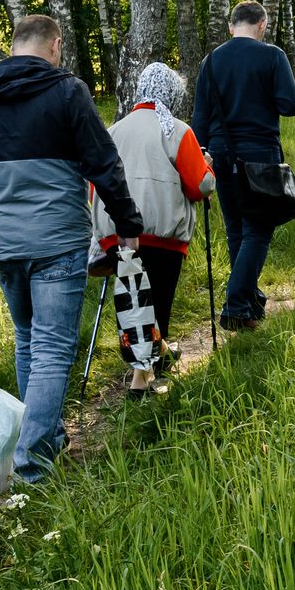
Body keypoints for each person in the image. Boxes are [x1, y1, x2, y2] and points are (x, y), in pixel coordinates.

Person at [0, 14, 142, 483]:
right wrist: (128, 223)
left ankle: (44, 434)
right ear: (55, 45)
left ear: (15, 45)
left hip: (0, 240)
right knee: (54, 346)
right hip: (58, 238)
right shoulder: (67, 92)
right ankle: (33, 459)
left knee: (28, 337)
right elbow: (104, 162)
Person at [91, 62, 215, 391]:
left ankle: (155, 354)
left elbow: (95, 186)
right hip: (162, 234)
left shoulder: (113, 131)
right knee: (157, 302)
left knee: (133, 299)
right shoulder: (177, 130)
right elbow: (199, 186)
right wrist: (209, 169)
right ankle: (141, 382)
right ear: (171, 93)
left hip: (117, 231)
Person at [192, 1, 295, 331]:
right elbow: (290, 104)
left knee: (238, 229)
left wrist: (200, 155)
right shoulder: (272, 56)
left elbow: (199, 115)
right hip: (259, 150)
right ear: (262, 25)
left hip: (219, 152)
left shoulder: (210, 61)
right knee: (259, 229)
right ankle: (236, 305)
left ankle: (249, 306)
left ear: (231, 27)